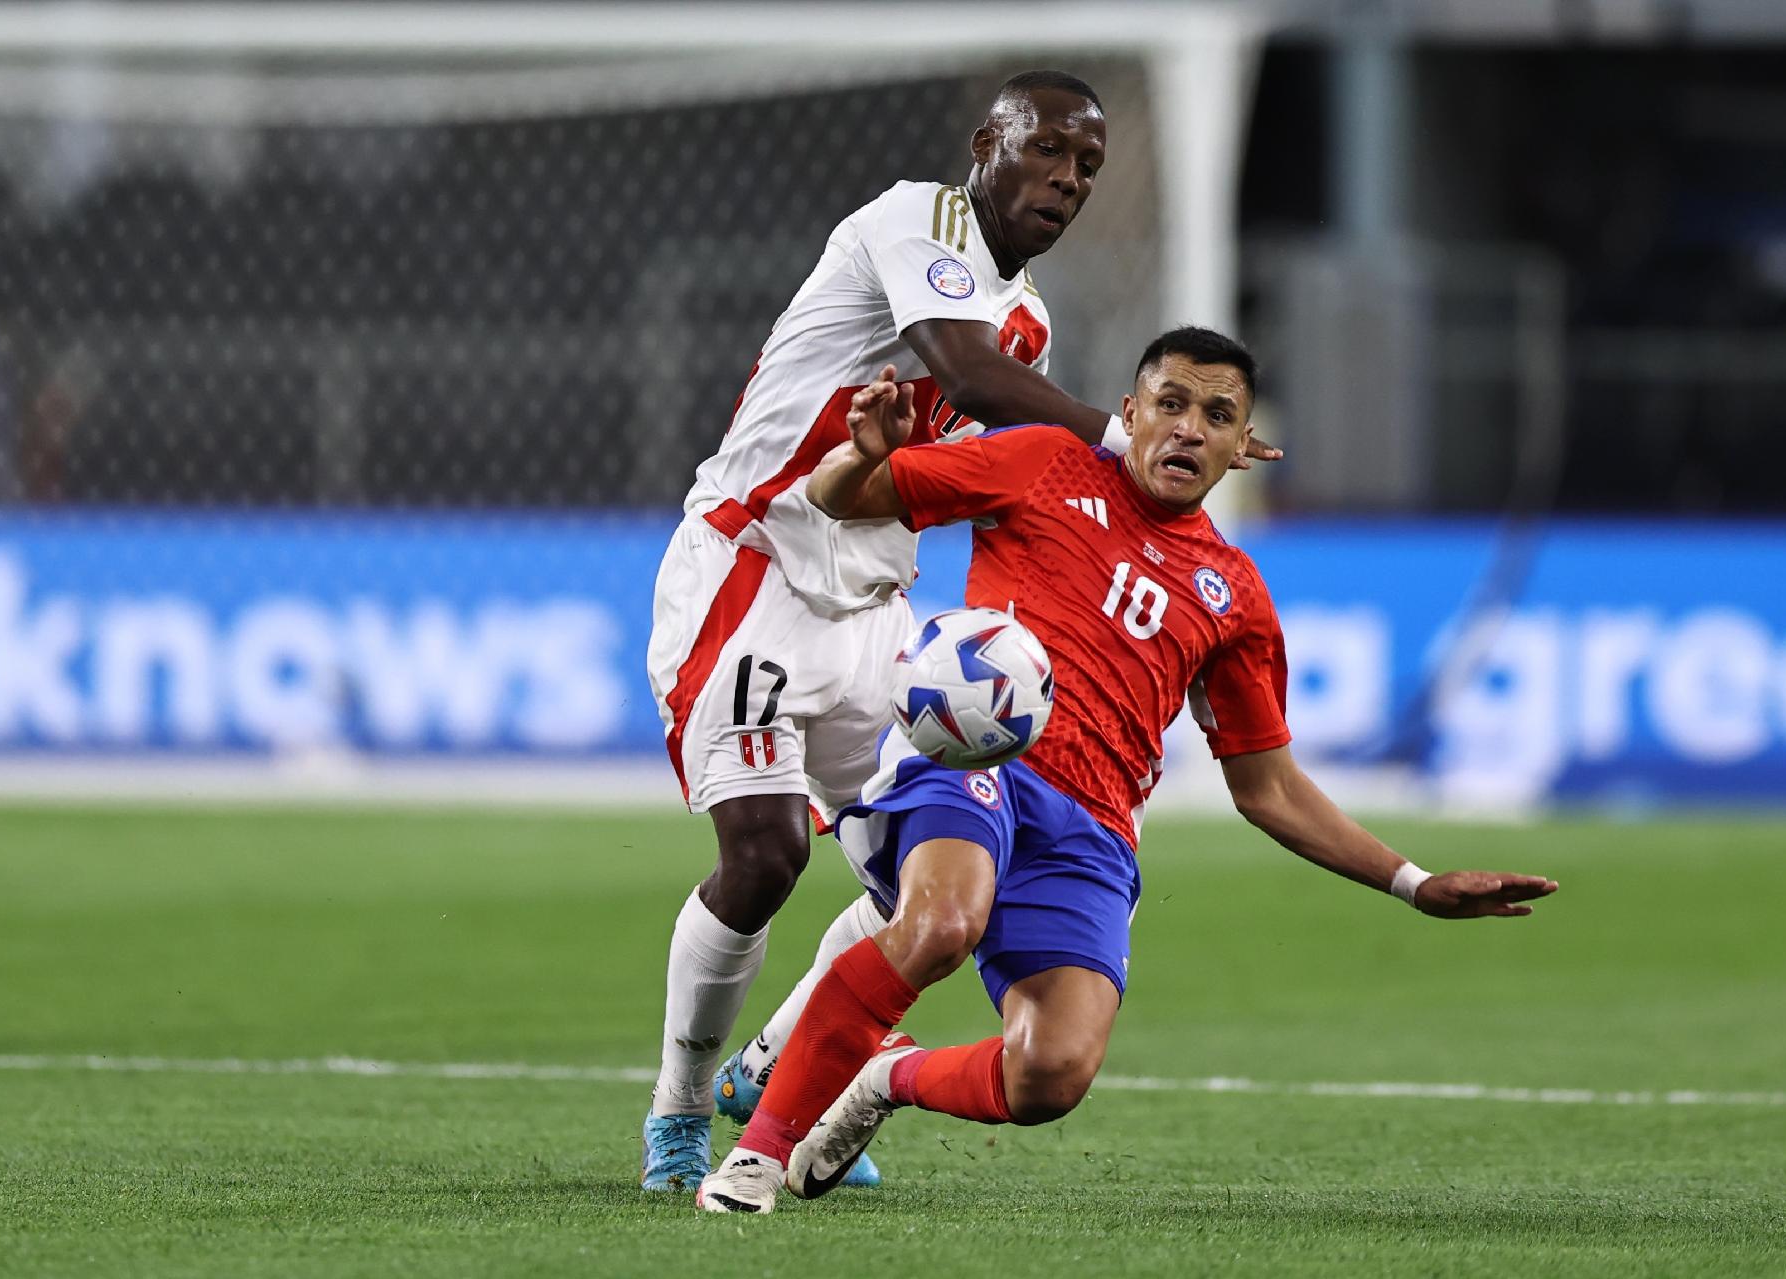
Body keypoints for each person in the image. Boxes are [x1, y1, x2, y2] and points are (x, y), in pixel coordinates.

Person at [694, 327, 1559, 1213]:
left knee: (1051, 1073)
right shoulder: (1040, 463)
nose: (1188, 429)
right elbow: (845, 500)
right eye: (1172, 404)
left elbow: (1268, 788)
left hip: (1093, 829)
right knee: (943, 923)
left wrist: (1414, 883)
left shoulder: (1236, 597)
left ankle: (883, 1077)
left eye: (1217, 415)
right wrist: (859, 454)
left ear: (1243, 447)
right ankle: (757, 1157)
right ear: (1130, 412)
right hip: (972, 757)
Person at [643, 71, 1275, 1193]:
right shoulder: (916, 220)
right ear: (990, 142)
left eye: (1087, 168)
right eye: (1049, 152)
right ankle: (679, 1120)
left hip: (879, 611)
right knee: (766, 853)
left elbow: (993, 439)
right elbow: (970, 376)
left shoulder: (1029, 313)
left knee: (910, 876)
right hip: (756, 567)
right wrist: (1132, 440)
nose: (1068, 181)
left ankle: (774, 1069)